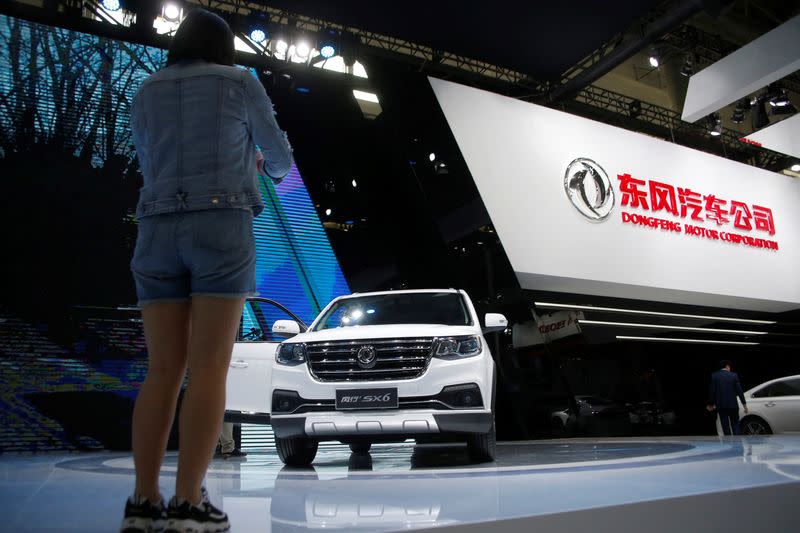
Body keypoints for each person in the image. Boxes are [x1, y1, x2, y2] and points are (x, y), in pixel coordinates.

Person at [120, 8, 292, 533]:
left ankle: (143, 502)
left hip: (155, 229)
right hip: (221, 228)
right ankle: (190, 503)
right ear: (224, 47)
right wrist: (261, 167)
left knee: (162, 370)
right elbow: (279, 157)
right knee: (210, 367)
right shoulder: (240, 82)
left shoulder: (146, 90)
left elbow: (145, 156)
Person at [707, 359, 748, 436]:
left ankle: (729, 445)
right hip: (733, 406)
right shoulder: (734, 375)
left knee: (725, 427)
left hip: (721, 406)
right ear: (727, 366)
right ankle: (738, 445)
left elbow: (712, 392)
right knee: (735, 425)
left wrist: (711, 404)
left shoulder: (714, 376)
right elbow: (740, 391)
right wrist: (744, 404)